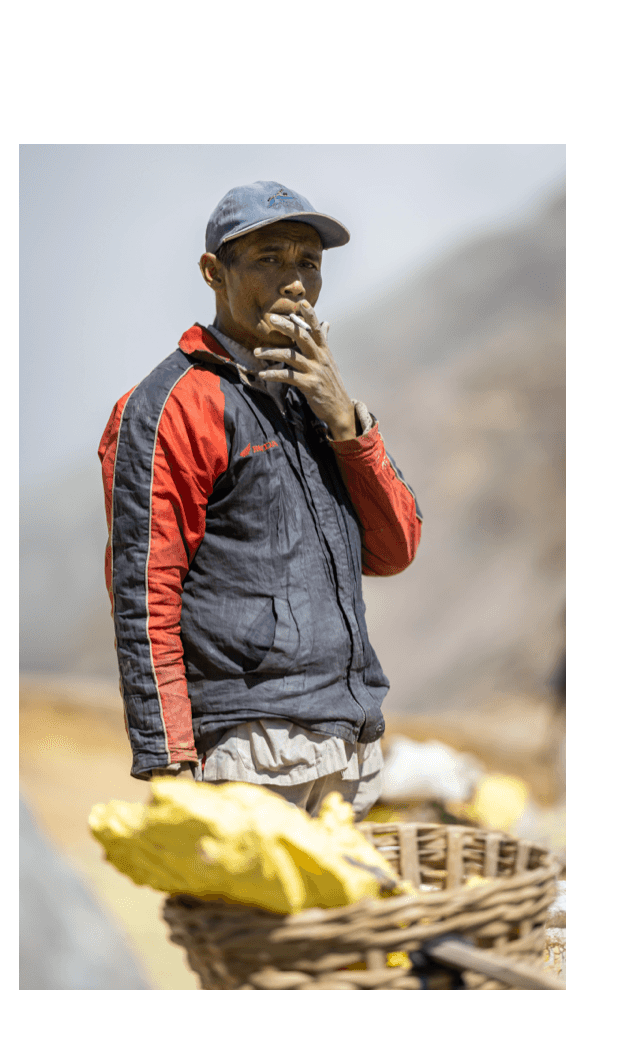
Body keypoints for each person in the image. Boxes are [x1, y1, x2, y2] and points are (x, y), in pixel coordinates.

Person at [98, 181, 422, 818]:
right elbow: (144, 590)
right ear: (213, 272)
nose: (295, 282)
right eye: (269, 259)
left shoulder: (315, 399)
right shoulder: (174, 406)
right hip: (249, 751)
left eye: (309, 263)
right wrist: (168, 758)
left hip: (352, 745)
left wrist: (346, 422)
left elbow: (394, 549)